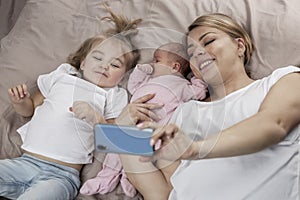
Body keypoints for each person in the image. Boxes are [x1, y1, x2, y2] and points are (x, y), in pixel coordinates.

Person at [113, 13, 300, 200]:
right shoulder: (185, 112)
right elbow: (162, 193)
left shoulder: (281, 80)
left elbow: (273, 124)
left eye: (208, 41)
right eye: (191, 53)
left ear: (240, 46)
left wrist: (196, 149)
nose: (198, 53)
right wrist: (122, 133)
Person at [0, 10, 141, 200]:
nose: (104, 66)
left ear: (123, 76)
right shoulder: (63, 76)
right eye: (98, 58)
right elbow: (29, 109)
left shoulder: (113, 94)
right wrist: (20, 101)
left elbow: (114, 139)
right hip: (23, 163)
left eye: (115, 65)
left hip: (61, 176)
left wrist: (96, 118)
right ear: (82, 63)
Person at [80, 42, 208, 197]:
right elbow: (133, 86)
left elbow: (198, 90)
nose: (152, 64)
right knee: (114, 155)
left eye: (157, 61)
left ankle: (128, 180)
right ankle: (104, 179)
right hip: (131, 119)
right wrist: (141, 70)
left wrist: (199, 79)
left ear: (174, 67)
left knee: (138, 157)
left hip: (152, 127)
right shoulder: (148, 81)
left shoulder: (182, 86)